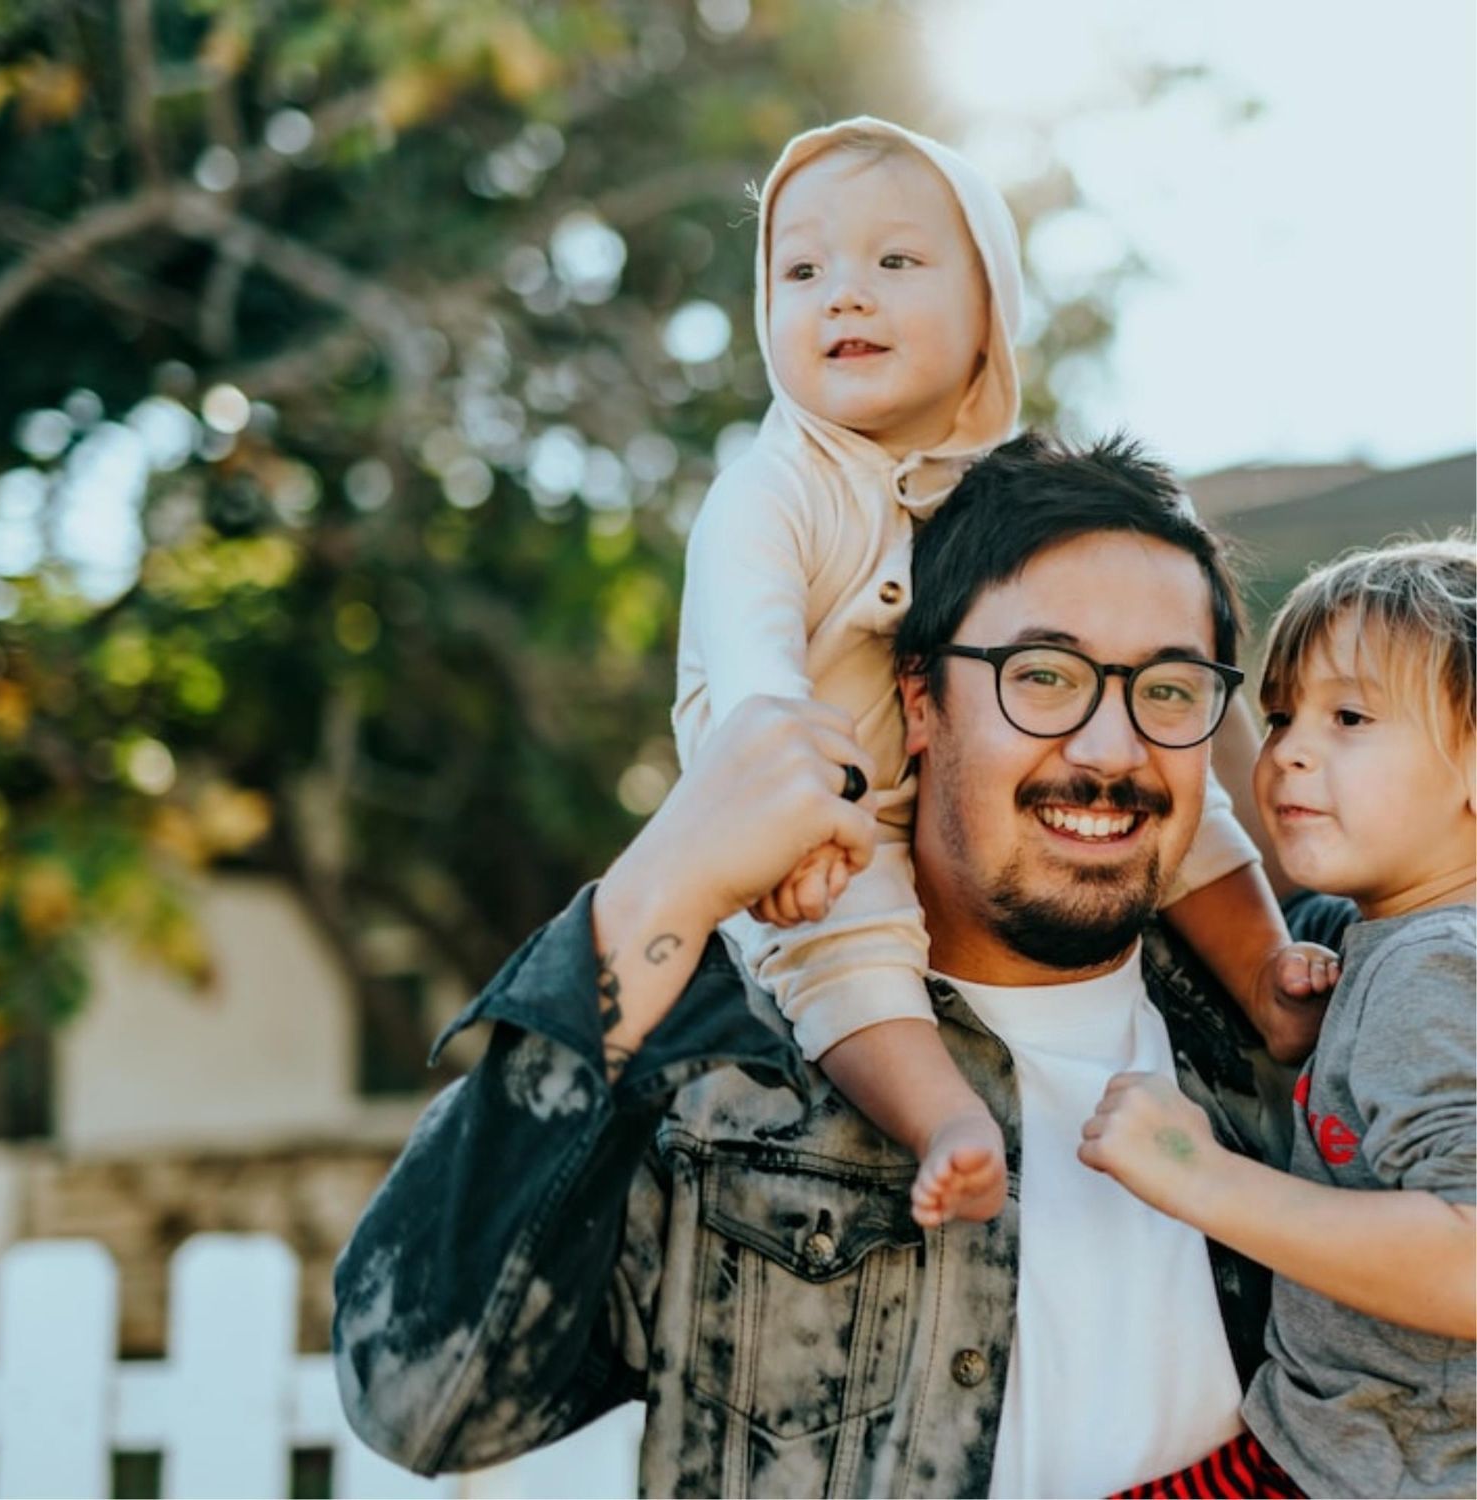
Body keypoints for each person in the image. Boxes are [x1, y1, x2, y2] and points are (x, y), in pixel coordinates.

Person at [334, 433, 1311, 1497]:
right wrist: (656, 887)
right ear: (921, 700)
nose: (1111, 750)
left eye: (1168, 691)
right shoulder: (726, 1073)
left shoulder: (1309, 1046)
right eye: (1044, 675)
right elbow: (417, 1398)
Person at [674, 117, 1329, 1228]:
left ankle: (1268, 977)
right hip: (812, 818)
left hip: (920, 796)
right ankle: (946, 1120)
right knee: (847, 951)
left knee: (1181, 793)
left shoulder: (1008, 497)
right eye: (802, 270)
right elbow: (756, 681)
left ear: (991, 312)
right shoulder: (774, 489)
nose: (844, 295)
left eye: (894, 262)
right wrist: (792, 826)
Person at [1083, 537, 1477, 1499]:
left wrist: (1195, 1175)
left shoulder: (1430, 966)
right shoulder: (1394, 945)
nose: (1290, 747)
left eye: (1349, 716)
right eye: (1279, 714)